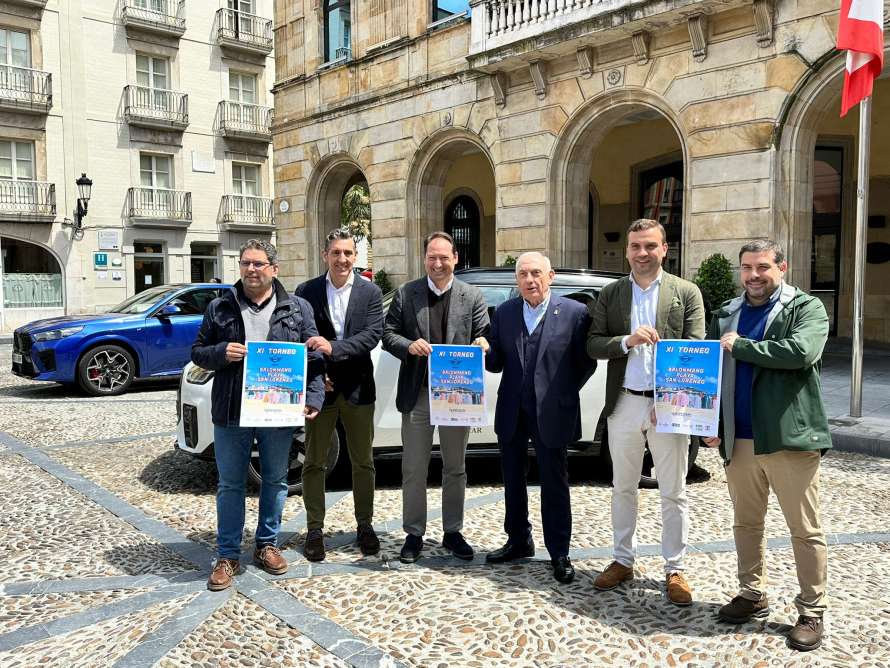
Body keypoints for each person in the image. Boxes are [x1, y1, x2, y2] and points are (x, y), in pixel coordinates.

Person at [703, 240, 830, 652]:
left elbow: (801, 352)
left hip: (787, 437)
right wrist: (707, 421)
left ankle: (812, 609)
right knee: (746, 523)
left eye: (762, 267)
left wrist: (741, 346)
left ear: (782, 267)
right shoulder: (727, 312)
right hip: (737, 437)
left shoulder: (806, 308)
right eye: (746, 268)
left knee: (804, 529)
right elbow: (708, 370)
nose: (754, 276)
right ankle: (752, 592)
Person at [192, 239, 325, 591]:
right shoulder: (220, 307)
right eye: (246, 263)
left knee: (276, 480)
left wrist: (313, 396)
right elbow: (198, 352)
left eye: (259, 264)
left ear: (274, 269)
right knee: (230, 484)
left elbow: (313, 356)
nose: (252, 270)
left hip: (277, 411)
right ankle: (228, 555)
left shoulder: (297, 308)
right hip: (232, 410)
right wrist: (222, 352)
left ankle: (267, 545)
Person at [586, 218, 705, 606]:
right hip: (624, 402)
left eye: (650, 246)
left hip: (669, 405)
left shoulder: (685, 292)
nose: (642, 253)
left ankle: (674, 568)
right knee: (623, 488)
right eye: (636, 246)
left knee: (673, 491)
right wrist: (626, 340)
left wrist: (667, 399)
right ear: (627, 251)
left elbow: (696, 348)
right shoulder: (612, 293)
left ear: (664, 249)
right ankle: (623, 560)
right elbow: (593, 344)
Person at [479, 252, 594, 583]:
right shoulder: (505, 313)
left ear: (550, 276)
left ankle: (559, 551)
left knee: (554, 482)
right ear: (517, 281)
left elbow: (584, 362)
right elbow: (498, 363)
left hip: (552, 412)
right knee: (512, 479)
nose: (530, 280)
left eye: (536, 273)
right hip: (512, 410)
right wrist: (487, 350)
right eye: (523, 275)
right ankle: (518, 540)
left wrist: (561, 391)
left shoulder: (574, 313)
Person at [382, 231, 489, 563]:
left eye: (444, 257)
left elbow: (484, 331)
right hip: (418, 393)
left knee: (455, 467)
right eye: (432, 257)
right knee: (413, 467)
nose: (438, 263)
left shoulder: (472, 296)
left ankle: (452, 531)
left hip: (457, 393)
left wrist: (482, 343)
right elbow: (388, 334)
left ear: (455, 258)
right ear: (425, 258)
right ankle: (414, 533)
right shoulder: (406, 293)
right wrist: (408, 346)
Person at [295, 229, 384, 561]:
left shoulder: (370, 292)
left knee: (363, 462)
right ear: (325, 255)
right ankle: (315, 529)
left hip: (359, 387)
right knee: (314, 461)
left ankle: (365, 526)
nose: (343, 259)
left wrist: (333, 348)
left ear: (355, 257)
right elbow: (303, 336)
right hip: (321, 388)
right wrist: (319, 373)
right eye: (336, 253)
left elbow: (371, 336)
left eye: (348, 253)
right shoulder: (307, 292)